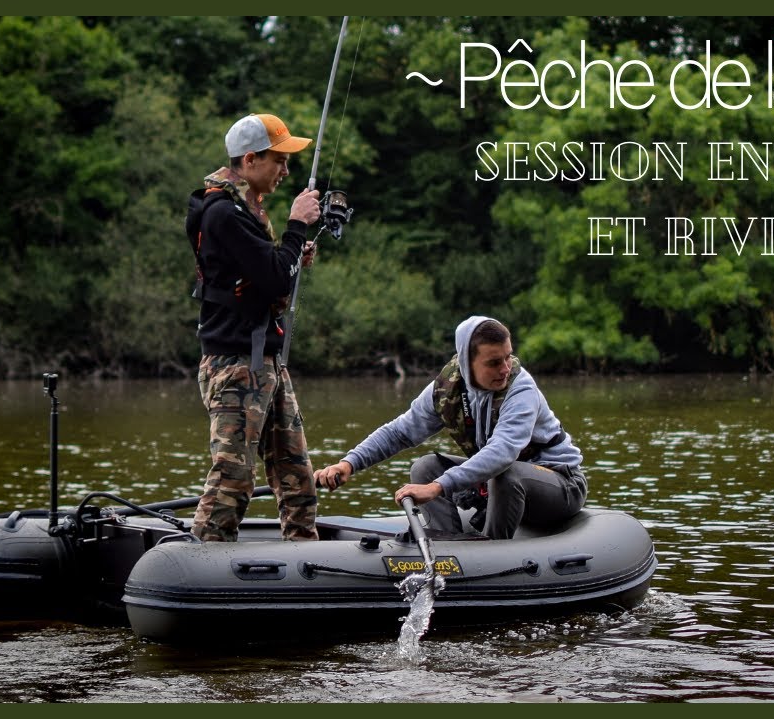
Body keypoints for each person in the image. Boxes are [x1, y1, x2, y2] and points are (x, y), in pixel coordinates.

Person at [315, 316, 587, 539]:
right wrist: (349, 463)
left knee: (506, 473)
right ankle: (450, 550)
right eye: (494, 362)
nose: (505, 368)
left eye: (508, 357)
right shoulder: (448, 387)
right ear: (466, 364)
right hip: (499, 485)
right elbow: (399, 432)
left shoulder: (521, 388)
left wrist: (437, 487)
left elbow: (503, 452)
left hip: (560, 485)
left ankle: (494, 554)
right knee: (424, 467)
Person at [185, 113, 322, 542]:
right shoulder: (224, 213)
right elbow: (276, 278)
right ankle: (201, 562)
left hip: (264, 362)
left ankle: (305, 559)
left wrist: (293, 252)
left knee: (298, 476)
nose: (285, 171)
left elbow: (269, 272)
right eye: (278, 161)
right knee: (233, 479)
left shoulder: (244, 210)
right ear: (249, 160)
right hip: (236, 365)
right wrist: (297, 227)